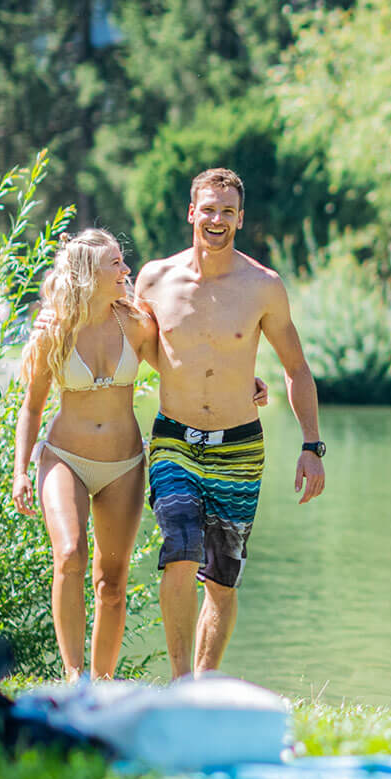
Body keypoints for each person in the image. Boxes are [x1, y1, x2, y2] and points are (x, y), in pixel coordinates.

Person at [134, 168, 325, 678]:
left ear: (240, 219)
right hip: (174, 437)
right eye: (208, 208)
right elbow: (141, 348)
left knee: (221, 580)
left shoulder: (263, 286)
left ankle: (204, 684)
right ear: (191, 212)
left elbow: (296, 368)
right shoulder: (154, 279)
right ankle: (179, 684)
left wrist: (312, 445)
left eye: (227, 211)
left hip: (239, 447)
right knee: (178, 552)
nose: (216, 219)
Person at [10, 230, 156, 682]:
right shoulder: (52, 333)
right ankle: (75, 677)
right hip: (64, 457)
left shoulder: (135, 323)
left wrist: (242, 386)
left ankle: (103, 682)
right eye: (116, 264)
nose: (125, 271)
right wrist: (19, 472)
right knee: (69, 553)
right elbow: (31, 407)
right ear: (89, 274)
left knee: (112, 583)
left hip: (124, 464)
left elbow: (180, 368)